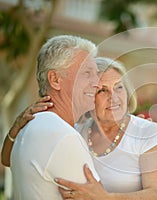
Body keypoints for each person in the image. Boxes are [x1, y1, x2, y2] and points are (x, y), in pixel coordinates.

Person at [2, 57, 157, 199]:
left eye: (119, 87)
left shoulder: (148, 132)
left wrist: (105, 198)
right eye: (102, 91)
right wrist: (17, 126)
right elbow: (8, 159)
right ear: (88, 97)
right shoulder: (75, 133)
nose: (114, 98)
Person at [2, 35, 101, 200]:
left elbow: (6, 160)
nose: (97, 82)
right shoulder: (63, 136)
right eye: (87, 73)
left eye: (96, 73)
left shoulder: (32, 125)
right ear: (55, 80)